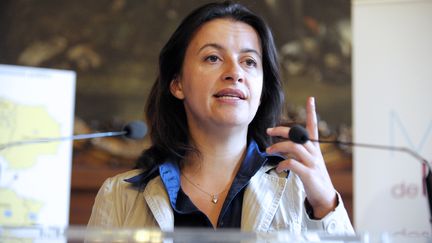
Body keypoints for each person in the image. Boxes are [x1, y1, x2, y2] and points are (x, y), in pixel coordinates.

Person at [88, 1, 354, 234]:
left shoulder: (300, 191)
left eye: (249, 62)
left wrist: (325, 204)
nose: (235, 72)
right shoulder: (118, 196)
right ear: (177, 83)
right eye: (213, 58)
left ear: (261, 92)